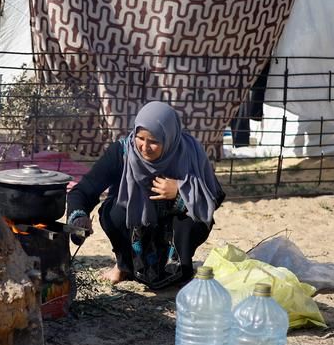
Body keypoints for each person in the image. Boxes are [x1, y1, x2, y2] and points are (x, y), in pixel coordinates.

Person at [66, 101, 225, 289]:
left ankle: (179, 269)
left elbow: (214, 196)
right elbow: (84, 190)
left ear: (169, 138)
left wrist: (181, 193)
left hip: (172, 228)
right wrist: (78, 218)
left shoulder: (190, 153)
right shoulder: (122, 152)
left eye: (154, 141)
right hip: (136, 227)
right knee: (113, 212)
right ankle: (124, 265)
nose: (144, 147)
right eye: (140, 138)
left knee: (194, 219)